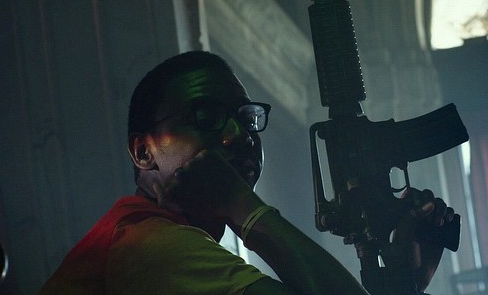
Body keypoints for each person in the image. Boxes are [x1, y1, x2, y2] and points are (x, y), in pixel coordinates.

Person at [41, 51, 454, 294]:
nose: (239, 135)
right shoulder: (150, 247)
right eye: (206, 116)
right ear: (143, 152)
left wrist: (404, 285)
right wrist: (242, 205)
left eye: (246, 118)